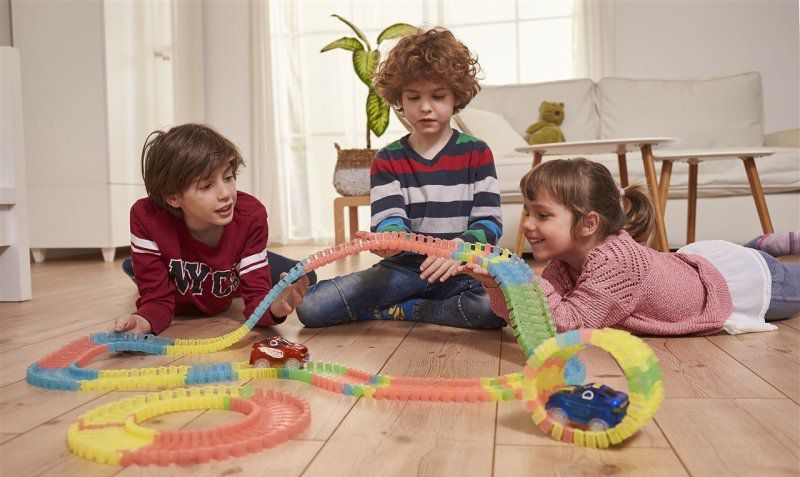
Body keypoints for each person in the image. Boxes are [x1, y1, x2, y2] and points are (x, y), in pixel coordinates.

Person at [297, 27, 505, 329]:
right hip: (404, 269)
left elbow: (489, 224)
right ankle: (419, 306)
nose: (425, 107)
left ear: (456, 96)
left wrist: (458, 250)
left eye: (437, 96)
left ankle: (406, 310)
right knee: (310, 308)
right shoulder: (388, 158)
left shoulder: (477, 152)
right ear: (400, 99)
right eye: (413, 97)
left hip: (462, 270)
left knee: (494, 310)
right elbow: (389, 219)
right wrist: (390, 240)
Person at [457, 158, 799, 335]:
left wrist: (523, 276)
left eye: (542, 215)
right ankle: (762, 245)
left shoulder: (616, 265)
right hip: (696, 266)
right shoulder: (563, 263)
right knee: (749, 256)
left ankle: (762, 252)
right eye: (527, 212)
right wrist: (497, 283)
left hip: (739, 285)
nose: (528, 225)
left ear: (589, 223)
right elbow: (533, 320)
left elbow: (570, 323)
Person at [111, 123, 313, 335]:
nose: (226, 194)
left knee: (304, 277)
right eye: (207, 186)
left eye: (228, 177)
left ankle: (242, 264)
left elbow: (257, 300)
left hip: (230, 265)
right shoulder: (147, 217)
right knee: (152, 274)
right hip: (194, 270)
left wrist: (275, 306)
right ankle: (139, 264)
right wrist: (141, 321)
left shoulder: (250, 216)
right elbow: (157, 301)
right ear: (173, 197)